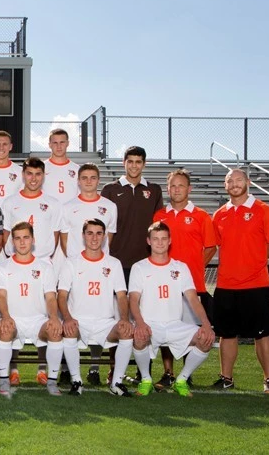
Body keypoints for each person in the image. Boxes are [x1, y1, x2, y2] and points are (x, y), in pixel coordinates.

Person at [211, 168, 269, 393]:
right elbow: (214, 246)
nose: (234, 184)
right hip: (226, 284)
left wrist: (255, 260)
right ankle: (226, 378)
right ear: (225, 186)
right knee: (226, 334)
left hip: (256, 284)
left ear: (248, 182)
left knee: (261, 334)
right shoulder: (219, 214)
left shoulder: (263, 210)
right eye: (229, 181)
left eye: (238, 180)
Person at [129, 221, 216, 397]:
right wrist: (140, 323)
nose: (159, 243)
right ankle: (146, 380)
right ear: (148, 241)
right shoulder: (139, 267)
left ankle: (182, 380)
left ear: (170, 241)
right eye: (155, 239)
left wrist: (206, 324)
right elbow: (133, 300)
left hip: (175, 325)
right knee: (139, 337)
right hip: (151, 325)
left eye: (163, 239)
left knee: (206, 339)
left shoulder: (181, 267)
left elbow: (193, 298)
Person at [151, 168, 217, 390]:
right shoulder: (160, 215)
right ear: (168, 189)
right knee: (166, 330)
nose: (176, 190)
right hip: (164, 287)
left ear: (189, 189)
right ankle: (168, 373)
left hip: (191, 286)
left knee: (190, 331)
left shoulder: (201, 216)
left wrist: (193, 268)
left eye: (181, 186)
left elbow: (210, 247)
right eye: (172, 186)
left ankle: (185, 375)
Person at [57, 219, 134, 396]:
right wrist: (68, 318)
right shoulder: (71, 262)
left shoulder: (113, 263)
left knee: (126, 332)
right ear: (83, 236)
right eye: (90, 233)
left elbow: (122, 296)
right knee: (68, 330)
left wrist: (123, 319)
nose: (94, 237)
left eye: (99, 233)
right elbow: (61, 296)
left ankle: (116, 383)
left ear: (104, 236)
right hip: (78, 321)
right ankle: (76, 381)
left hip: (105, 323)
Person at [0, 221, 61, 396]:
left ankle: (52, 381)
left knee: (54, 330)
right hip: (14, 319)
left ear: (33, 239)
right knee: (5, 330)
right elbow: (0, 295)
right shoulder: (2, 267)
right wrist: (6, 316)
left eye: (26, 237)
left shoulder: (45, 267)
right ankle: (3, 380)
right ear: (12, 242)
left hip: (37, 320)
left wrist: (53, 317)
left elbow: (51, 296)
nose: (22, 242)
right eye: (17, 238)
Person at [100, 146, 163, 282]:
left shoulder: (154, 190)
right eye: (130, 161)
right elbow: (103, 227)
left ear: (144, 164)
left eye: (138, 162)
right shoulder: (110, 189)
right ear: (124, 163)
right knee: (118, 302)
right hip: (117, 260)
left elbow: (157, 226)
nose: (134, 166)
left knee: (144, 303)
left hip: (146, 260)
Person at [1, 157, 63, 262]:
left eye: (38, 174)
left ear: (43, 175)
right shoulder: (9, 202)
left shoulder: (53, 204)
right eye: (29, 173)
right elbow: (5, 233)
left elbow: (55, 234)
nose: (33, 179)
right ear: (23, 174)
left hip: (43, 261)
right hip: (16, 260)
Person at [42, 128, 81, 203]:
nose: (59, 146)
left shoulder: (77, 169)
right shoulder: (41, 168)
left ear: (67, 143)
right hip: (50, 213)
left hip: (70, 213)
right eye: (55, 143)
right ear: (50, 145)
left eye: (62, 142)